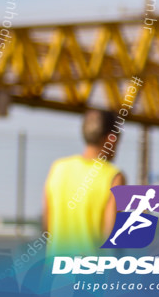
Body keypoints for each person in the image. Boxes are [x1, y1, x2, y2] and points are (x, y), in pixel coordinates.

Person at [42, 109, 126, 256]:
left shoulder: (57, 168)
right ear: (111, 139)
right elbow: (113, 238)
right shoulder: (113, 177)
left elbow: (48, 226)